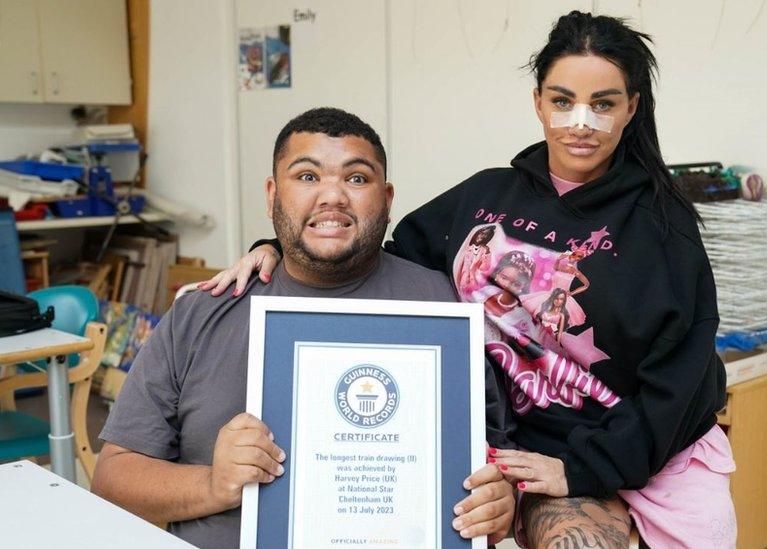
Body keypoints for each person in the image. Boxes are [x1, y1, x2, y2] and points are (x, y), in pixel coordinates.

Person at [202, 12, 736, 549]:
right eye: (562, 100)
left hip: (658, 452)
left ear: (631, 109)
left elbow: (683, 380)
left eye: (603, 104)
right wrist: (279, 247)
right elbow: (378, 260)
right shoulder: (487, 195)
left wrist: (585, 468)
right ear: (537, 102)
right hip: (539, 456)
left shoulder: (665, 226)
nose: (580, 122)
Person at [91, 108, 515, 548]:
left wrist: (500, 501)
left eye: (356, 178)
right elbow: (112, 478)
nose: (332, 196)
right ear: (272, 194)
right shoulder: (201, 311)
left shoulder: (443, 308)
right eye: (307, 177)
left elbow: (493, 462)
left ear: (387, 199)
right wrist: (212, 486)